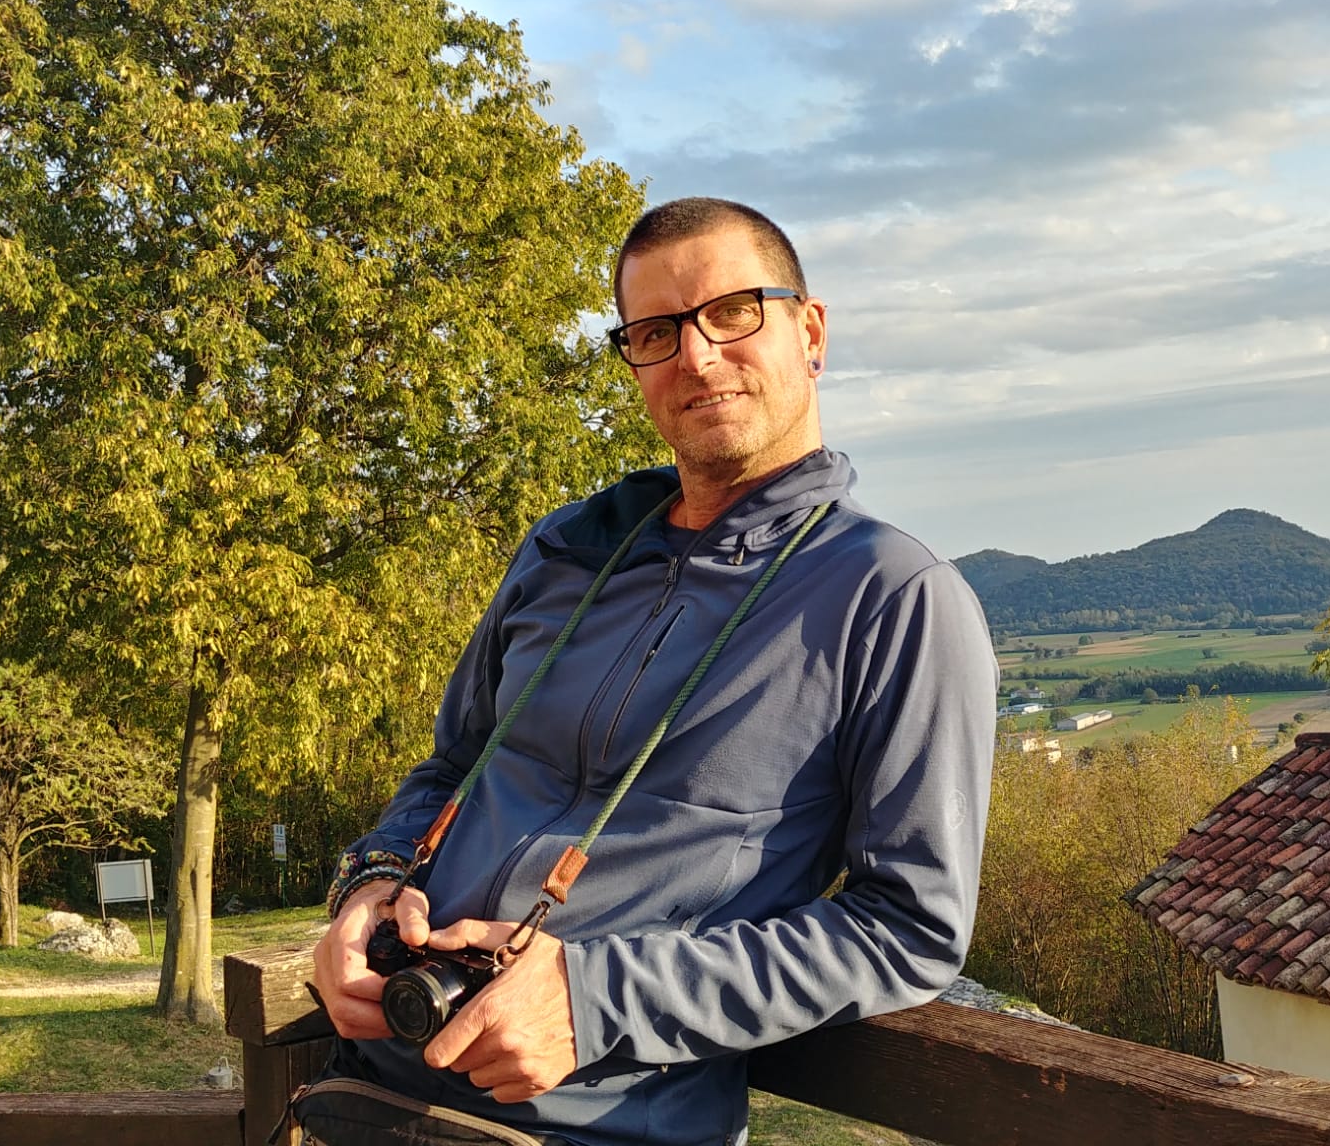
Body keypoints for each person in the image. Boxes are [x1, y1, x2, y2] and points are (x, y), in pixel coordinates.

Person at [310, 197, 996, 1146]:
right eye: (656, 332)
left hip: (595, 1129)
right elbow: (452, 769)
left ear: (811, 332)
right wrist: (370, 883)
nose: (697, 357)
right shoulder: (564, 550)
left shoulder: (893, 598)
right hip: (366, 1098)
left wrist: (595, 1000)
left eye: (734, 312)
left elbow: (909, 929)